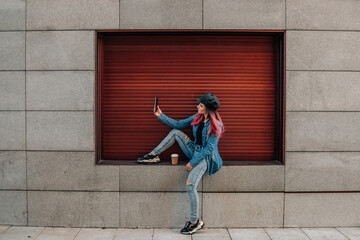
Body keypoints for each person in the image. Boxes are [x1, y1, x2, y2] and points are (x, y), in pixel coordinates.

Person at [136, 93, 225, 235]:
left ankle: (195, 222)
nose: (197, 106)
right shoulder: (197, 117)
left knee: (190, 185)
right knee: (176, 132)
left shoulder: (216, 125)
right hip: (194, 150)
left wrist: (192, 162)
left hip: (205, 158)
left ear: (207, 108)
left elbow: (208, 149)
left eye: (200, 105)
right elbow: (178, 124)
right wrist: (161, 115)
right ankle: (153, 155)